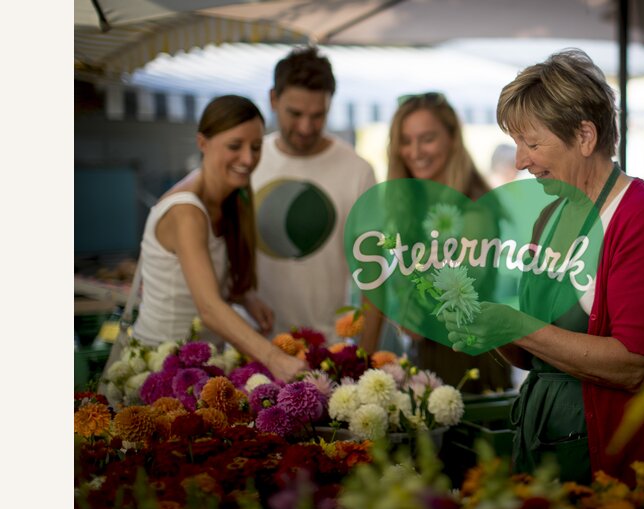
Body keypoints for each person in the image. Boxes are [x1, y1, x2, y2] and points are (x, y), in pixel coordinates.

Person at [442, 50, 644, 509]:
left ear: (585, 136)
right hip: (549, 455)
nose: (520, 162)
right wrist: (489, 326)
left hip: (626, 467)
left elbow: (634, 367)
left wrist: (515, 324)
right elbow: (536, 352)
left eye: (532, 143)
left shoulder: (643, 217)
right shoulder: (550, 216)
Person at [129, 95, 307, 382]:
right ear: (203, 143)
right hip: (159, 367)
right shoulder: (186, 211)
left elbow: (201, 278)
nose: (248, 159)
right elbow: (209, 308)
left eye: (256, 147)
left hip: (203, 366)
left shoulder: (230, 198)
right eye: (235, 146)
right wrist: (275, 359)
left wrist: (244, 296)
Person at [361, 92, 513, 394]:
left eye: (427, 138)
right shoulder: (412, 207)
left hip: (468, 362)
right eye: (405, 140)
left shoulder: (475, 209)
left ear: (452, 138)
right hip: (424, 359)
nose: (415, 151)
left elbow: (464, 288)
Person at [251, 46, 377, 339]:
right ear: (273, 99)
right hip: (254, 345)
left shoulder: (358, 171)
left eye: (318, 115)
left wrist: (365, 360)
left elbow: (374, 277)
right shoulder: (248, 162)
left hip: (329, 348)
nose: (306, 127)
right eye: (295, 114)